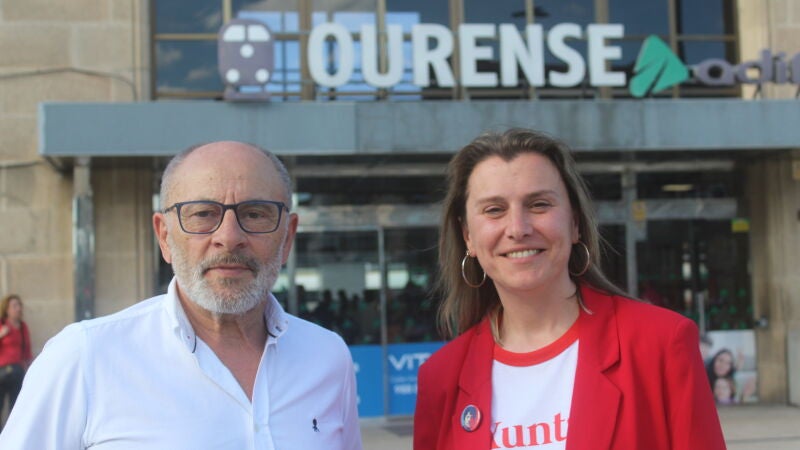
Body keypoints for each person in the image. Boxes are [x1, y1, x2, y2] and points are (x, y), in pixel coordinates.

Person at [0, 142, 363, 449]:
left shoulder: (328, 357)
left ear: (288, 237)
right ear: (164, 236)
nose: (229, 237)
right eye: (203, 214)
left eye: (255, 214)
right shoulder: (84, 358)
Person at [413, 129, 725, 450]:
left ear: (574, 223)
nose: (518, 229)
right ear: (468, 236)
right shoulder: (441, 378)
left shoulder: (661, 343)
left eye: (539, 204)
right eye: (494, 209)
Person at [0, 294, 32, 429]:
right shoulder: (2, 324)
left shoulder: (22, 327)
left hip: (17, 371)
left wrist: (30, 371)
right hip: (1, 371)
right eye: (14, 306)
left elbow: (27, 351)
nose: (18, 308)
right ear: (7, 309)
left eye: (19, 305)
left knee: (16, 408)